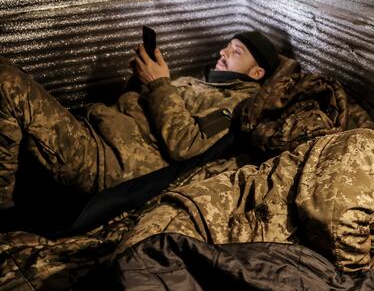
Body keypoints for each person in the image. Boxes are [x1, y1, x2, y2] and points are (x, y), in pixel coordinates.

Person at [120, 127, 374, 277]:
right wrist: (357, 282)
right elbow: (337, 220)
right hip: (199, 229)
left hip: (228, 265)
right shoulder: (372, 149)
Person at [0, 31, 281, 210]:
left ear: (256, 73)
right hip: (96, 132)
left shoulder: (237, 104)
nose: (223, 52)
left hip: (105, 158)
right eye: (227, 47)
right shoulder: (200, 83)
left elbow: (186, 145)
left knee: (5, 80)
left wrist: (159, 84)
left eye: (236, 51)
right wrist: (140, 81)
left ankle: (4, 211)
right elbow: (143, 113)